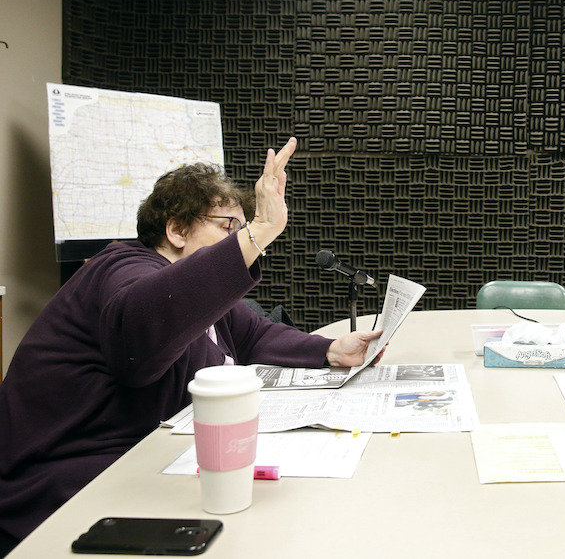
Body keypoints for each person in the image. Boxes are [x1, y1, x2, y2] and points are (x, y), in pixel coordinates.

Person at [0, 138, 381, 553]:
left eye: (241, 227)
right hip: (65, 486)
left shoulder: (199, 290)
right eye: (227, 227)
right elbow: (142, 337)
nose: (239, 240)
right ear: (177, 229)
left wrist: (329, 350)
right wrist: (260, 231)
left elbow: (252, 333)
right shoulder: (120, 268)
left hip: (141, 460)